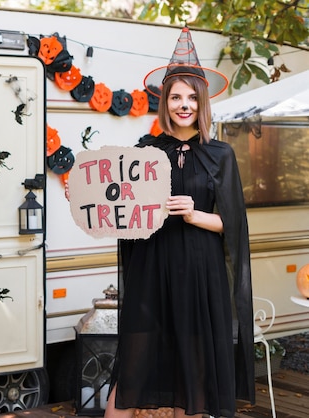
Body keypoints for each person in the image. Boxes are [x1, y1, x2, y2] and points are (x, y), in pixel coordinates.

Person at [105, 27, 255, 418]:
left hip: (201, 276)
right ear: (164, 101)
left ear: (201, 102)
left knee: (196, 366)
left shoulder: (220, 155)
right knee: (135, 363)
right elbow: (125, 209)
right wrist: (92, 197)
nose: (183, 105)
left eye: (191, 97)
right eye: (175, 97)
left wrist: (193, 214)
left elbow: (233, 225)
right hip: (153, 271)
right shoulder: (145, 151)